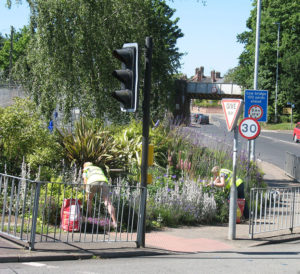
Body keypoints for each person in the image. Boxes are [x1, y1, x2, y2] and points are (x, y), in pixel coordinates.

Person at [82, 162, 117, 228]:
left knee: (89, 199)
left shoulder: (85, 169)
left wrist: (85, 189)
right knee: (108, 202)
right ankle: (115, 222)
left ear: (84, 166)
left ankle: (90, 218)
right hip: (104, 182)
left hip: (92, 182)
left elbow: (85, 181)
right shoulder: (98, 168)